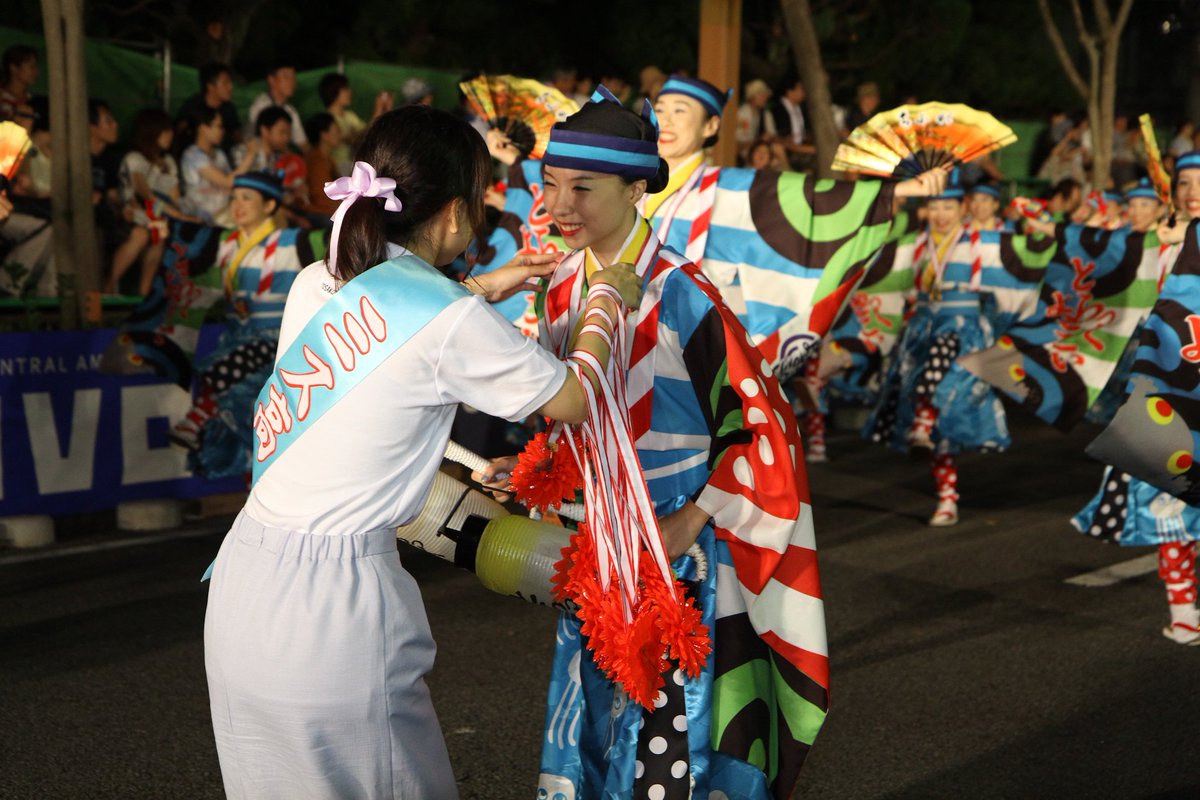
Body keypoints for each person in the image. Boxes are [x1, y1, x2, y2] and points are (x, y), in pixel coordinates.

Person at [203, 104, 640, 799]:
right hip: (332, 616)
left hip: (241, 587)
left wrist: (482, 288)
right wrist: (607, 301)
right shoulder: (451, 320)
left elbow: (393, 331)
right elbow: (570, 398)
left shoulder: (320, 279)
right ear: (455, 215)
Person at [477, 87, 829, 800]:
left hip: (678, 546)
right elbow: (573, 418)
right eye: (550, 184)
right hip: (600, 544)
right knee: (593, 731)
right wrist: (532, 466)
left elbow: (761, 425)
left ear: (638, 189)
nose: (560, 204)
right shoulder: (558, 289)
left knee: (670, 739)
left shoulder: (685, 291)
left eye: (583, 187)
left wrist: (692, 518)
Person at [108, 108, 195, 295]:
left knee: (159, 234)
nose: (170, 135)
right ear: (152, 133)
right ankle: (107, 288)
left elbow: (175, 197)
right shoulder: (134, 159)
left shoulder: (168, 162)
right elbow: (144, 193)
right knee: (142, 234)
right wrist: (176, 214)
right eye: (165, 131)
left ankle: (144, 293)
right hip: (129, 215)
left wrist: (183, 214)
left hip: (158, 219)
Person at [179, 106, 260, 225]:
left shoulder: (219, 154)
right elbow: (228, 182)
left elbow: (231, 184)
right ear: (203, 128)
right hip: (202, 218)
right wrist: (250, 155)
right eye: (218, 126)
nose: (222, 131)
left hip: (224, 213)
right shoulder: (193, 156)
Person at [319, 71, 393, 176]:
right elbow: (361, 134)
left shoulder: (350, 115)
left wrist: (384, 109)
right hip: (337, 170)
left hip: (354, 166)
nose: (350, 92)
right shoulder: (327, 119)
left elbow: (367, 132)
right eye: (345, 89)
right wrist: (378, 110)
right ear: (333, 91)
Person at [175, 62, 241, 153]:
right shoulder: (192, 107)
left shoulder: (229, 109)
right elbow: (178, 134)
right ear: (210, 86)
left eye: (230, 82)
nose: (231, 87)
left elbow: (237, 136)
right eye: (225, 83)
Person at [246, 62, 307, 152]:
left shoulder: (290, 110)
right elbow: (264, 142)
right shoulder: (261, 106)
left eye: (293, 77)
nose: (292, 81)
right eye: (286, 77)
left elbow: (303, 143)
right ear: (271, 80)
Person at [300, 112, 341, 220]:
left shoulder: (327, 159)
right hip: (320, 213)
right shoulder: (316, 161)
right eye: (336, 130)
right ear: (324, 135)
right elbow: (322, 198)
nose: (339, 134)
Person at [772, 77, 812, 170]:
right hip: (786, 150)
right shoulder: (777, 110)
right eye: (800, 89)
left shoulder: (801, 109)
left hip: (801, 147)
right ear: (789, 91)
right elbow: (781, 138)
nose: (803, 92)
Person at [734, 78, 775, 162]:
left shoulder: (759, 113)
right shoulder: (743, 113)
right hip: (744, 155)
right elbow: (738, 143)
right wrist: (759, 140)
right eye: (762, 95)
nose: (765, 98)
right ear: (752, 97)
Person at [0, 45, 37, 124]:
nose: (36, 72)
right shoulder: (2, 98)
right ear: (14, 68)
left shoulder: (32, 100)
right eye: (31, 67)